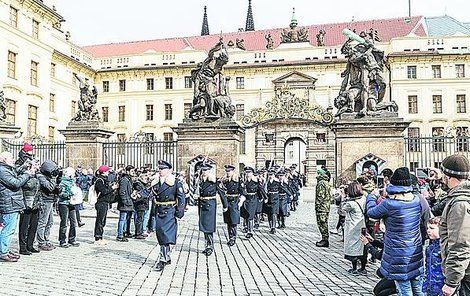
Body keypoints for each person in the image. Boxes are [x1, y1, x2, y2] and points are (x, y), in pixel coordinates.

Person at [367, 167, 424, 296]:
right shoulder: (416, 200)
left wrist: (371, 196)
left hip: (398, 253)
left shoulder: (389, 204)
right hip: (415, 250)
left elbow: (371, 213)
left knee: (404, 290)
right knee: (417, 287)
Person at [438, 155, 470, 296]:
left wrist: (451, 282)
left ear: (447, 176)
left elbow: (460, 245)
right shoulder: (460, 197)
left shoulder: (460, 204)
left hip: (466, 275)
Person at [152, 160, 185, 271]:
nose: (160, 171)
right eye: (160, 169)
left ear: (169, 170)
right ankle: (167, 256)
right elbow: (151, 195)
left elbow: (181, 198)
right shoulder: (155, 182)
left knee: (165, 235)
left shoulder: (175, 182)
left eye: (163, 169)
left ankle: (163, 259)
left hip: (169, 210)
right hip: (159, 210)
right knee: (161, 234)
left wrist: (180, 211)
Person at [0, 151, 33, 262]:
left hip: (12, 202)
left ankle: (4, 250)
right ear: (4, 159)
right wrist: (28, 174)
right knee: (8, 229)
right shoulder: (2, 170)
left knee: (9, 229)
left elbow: (14, 172)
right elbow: (15, 182)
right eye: (11, 158)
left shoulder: (6, 168)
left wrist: (24, 167)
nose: (13, 159)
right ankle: (3, 253)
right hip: (9, 204)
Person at [15, 144, 41, 255]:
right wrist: (26, 166)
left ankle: (30, 245)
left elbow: (38, 174)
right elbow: (16, 173)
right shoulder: (19, 162)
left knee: (34, 223)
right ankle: (23, 246)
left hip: (36, 195)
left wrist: (36, 167)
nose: (31, 152)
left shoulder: (33, 160)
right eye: (30, 151)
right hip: (26, 195)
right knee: (24, 224)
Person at [197, 163, 227, 256]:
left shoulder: (214, 181)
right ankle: (207, 245)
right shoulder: (201, 180)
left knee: (208, 226)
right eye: (203, 170)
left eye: (206, 170)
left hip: (210, 204)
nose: (204, 172)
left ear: (209, 171)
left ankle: (210, 246)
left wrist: (225, 205)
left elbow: (222, 193)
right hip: (202, 204)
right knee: (204, 226)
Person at [343, 181, 367, 275]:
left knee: (353, 247)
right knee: (363, 247)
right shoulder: (364, 199)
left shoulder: (351, 204)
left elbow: (342, 209)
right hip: (362, 225)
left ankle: (354, 268)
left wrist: (344, 197)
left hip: (353, 227)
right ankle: (363, 268)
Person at [36, 160, 60, 251]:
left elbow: (54, 188)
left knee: (50, 222)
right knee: (42, 222)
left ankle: (46, 239)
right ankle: (41, 242)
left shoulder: (47, 176)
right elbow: (50, 187)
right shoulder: (40, 176)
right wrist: (54, 178)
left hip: (50, 200)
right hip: (44, 201)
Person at [217, 165, 243, 246]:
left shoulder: (237, 180)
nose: (228, 173)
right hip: (227, 201)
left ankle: (233, 237)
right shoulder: (224, 180)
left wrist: (241, 201)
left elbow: (242, 191)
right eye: (227, 171)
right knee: (228, 220)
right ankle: (230, 236)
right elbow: (220, 188)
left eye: (229, 171)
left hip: (235, 201)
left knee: (234, 220)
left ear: (233, 171)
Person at [94, 165, 118, 245]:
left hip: (105, 202)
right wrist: (112, 188)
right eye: (107, 171)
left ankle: (100, 237)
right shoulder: (99, 180)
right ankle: (98, 238)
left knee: (103, 221)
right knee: (100, 221)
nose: (108, 172)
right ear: (104, 172)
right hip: (101, 202)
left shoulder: (104, 179)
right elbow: (103, 191)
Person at [58, 167, 79, 248]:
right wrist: (70, 194)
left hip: (72, 203)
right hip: (64, 203)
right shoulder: (62, 182)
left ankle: (72, 238)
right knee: (64, 222)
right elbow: (61, 194)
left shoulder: (73, 182)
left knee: (74, 222)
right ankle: (62, 240)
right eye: (73, 174)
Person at [423, 217, 444, 296]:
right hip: (430, 285)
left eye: (432, 228)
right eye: (428, 228)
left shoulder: (445, 247)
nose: (428, 230)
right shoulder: (430, 247)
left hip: (442, 287)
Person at [241, 166, 263, 238]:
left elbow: (260, 189)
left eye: (249, 172)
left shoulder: (255, 181)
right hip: (246, 199)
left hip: (253, 199)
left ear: (252, 173)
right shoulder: (245, 181)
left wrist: (263, 197)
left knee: (250, 215)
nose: (247, 174)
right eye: (246, 172)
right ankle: (247, 227)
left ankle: (250, 231)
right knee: (246, 214)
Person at [116, 165, 135, 241]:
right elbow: (122, 192)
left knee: (127, 219)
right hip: (125, 202)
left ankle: (125, 232)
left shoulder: (128, 179)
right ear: (128, 171)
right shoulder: (124, 179)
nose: (133, 173)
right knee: (122, 219)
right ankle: (120, 235)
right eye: (132, 171)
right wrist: (125, 201)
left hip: (129, 201)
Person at [315, 169, 332, 247]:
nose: (317, 175)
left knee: (322, 223)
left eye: (318, 174)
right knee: (324, 222)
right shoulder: (326, 182)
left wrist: (317, 206)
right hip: (326, 206)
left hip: (322, 207)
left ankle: (325, 240)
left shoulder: (321, 183)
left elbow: (320, 196)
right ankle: (325, 239)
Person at [132, 169, 150, 239]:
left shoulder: (143, 184)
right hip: (140, 204)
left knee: (141, 219)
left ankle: (140, 232)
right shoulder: (138, 184)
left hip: (143, 203)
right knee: (139, 219)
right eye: (145, 178)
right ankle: (138, 233)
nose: (146, 179)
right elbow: (142, 194)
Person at [264, 169, 281, 234]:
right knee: (269, 214)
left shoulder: (277, 182)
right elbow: (264, 191)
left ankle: (273, 227)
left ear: (274, 175)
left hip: (275, 199)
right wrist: (265, 198)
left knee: (274, 213)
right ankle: (271, 226)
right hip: (269, 199)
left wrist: (290, 194)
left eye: (271, 175)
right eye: (269, 175)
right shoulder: (267, 183)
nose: (270, 176)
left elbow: (282, 188)